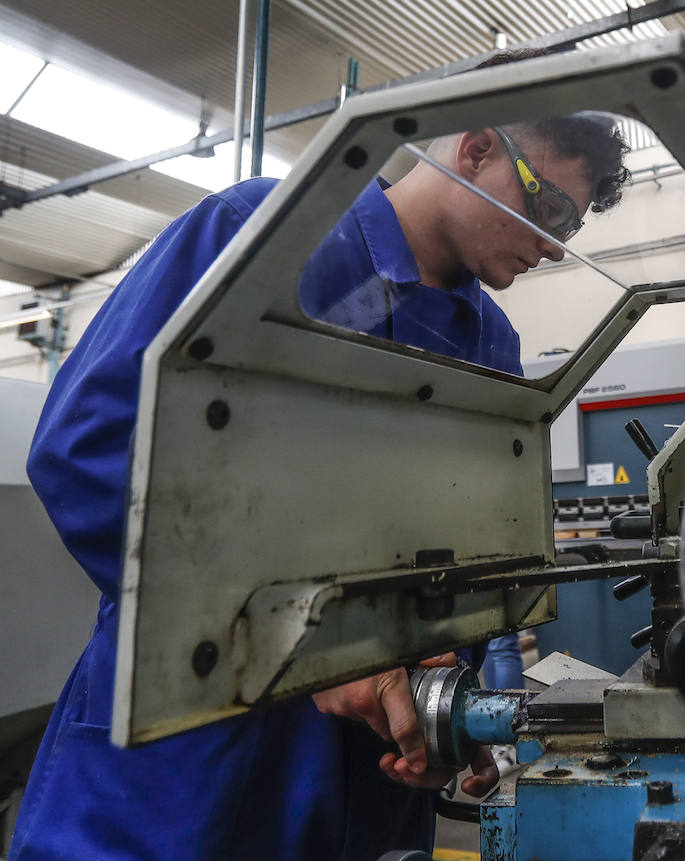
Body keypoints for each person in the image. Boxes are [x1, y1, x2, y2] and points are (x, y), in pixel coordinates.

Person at [9, 93, 630, 858]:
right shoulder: (262, 235)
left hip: (367, 786)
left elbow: (468, 567)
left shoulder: (490, 344)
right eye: (553, 210)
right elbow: (88, 447)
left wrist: (443, 711)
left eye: (572, 228)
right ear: (476, 149)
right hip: (188, 749)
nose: (557, 247)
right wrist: (307, 654)